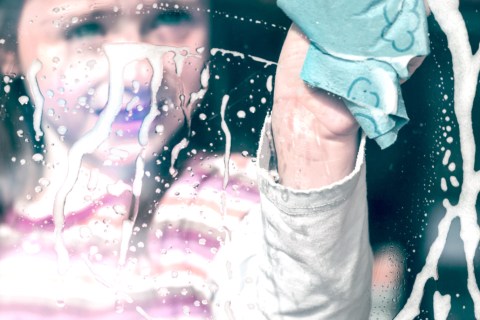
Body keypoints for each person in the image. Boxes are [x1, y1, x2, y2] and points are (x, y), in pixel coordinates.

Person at [0, 0, 428, 319]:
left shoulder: (225, 202)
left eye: (169, 18)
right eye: (85, 29)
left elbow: (305, 306)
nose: (138, 71)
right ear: (7, 49)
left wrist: (312, 153)